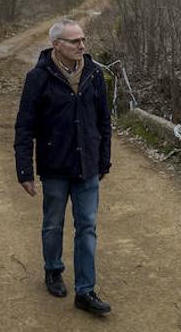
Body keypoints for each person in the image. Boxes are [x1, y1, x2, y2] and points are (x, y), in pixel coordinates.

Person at [14, 18, 112, 315]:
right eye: (74, 41)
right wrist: (24, 171)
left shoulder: (95, 74)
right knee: (53, 224)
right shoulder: (38, 78)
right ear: (56, 45)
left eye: (83, 39)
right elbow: (24, 126)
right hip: (55, 167)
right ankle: (53, 270)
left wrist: (103, 159)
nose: (82, 45)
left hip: (87, 167)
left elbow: (104, 122)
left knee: (87, 227)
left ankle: (85, 290)